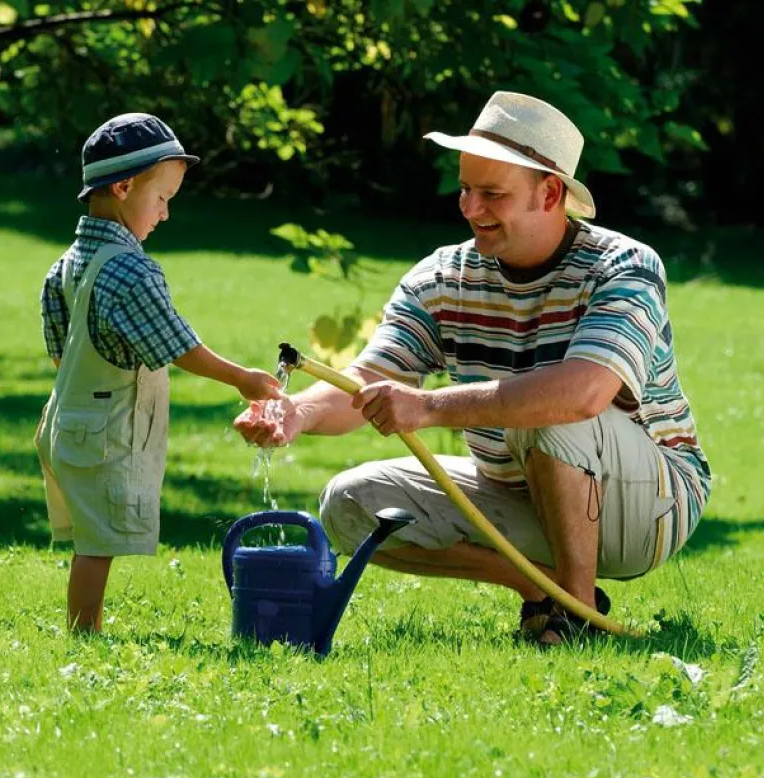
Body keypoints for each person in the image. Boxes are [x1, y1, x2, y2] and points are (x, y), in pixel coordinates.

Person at [234, 92, 711, 645]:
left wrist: (430, 407)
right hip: (519, 489)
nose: (470, 208)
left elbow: (581, 393)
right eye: (466, 189)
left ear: (550, 192)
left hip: (648, 507)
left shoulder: (624, 266)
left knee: (546, 406)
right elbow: (369, 380)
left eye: (492, 194)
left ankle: (575, 616)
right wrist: (294, 412)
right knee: (348, 505)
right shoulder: (443, 276)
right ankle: (542, 592)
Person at [36, 113, 283, 633]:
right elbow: (178, 345)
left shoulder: (69, 262)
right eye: (163, 198)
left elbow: (63, 353)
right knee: (97, 544)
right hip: (104, 431)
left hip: (68, 422)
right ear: (124, 187)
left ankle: (86, 628)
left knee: (91, 537)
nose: (166, 214)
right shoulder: (130, 268)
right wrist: (242, 377)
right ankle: (85, 633)